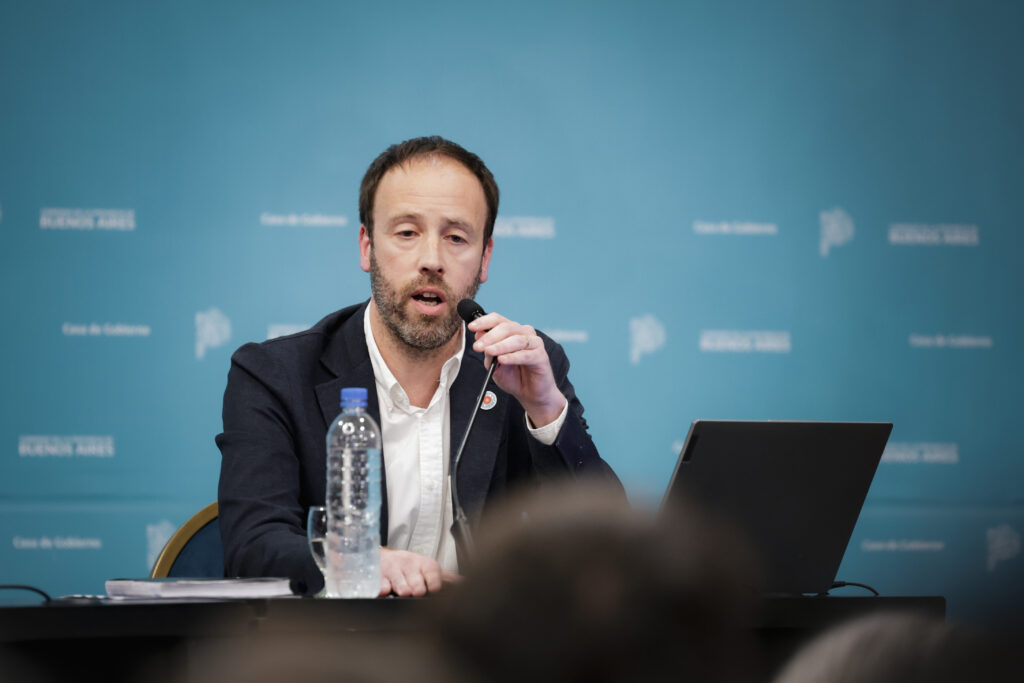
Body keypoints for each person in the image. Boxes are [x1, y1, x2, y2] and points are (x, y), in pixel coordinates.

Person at [216, 136, 621, 597]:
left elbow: (605, 544)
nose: (432, 260)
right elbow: (252, 547)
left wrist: (547, 411)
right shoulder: (275, 375)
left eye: (456, 237)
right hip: (335, 654)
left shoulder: (519, 365)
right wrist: (360, 564)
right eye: (407, 233)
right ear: (367, 246)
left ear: (485, 258)